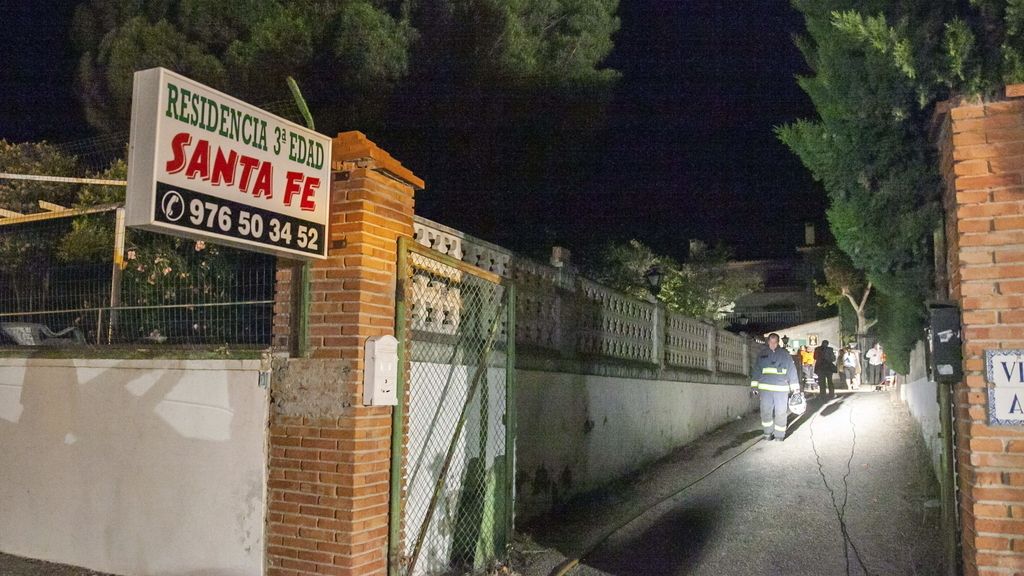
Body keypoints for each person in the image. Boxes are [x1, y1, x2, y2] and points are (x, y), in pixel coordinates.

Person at [750, 333, 801, 441]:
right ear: (768, 342)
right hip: (765, 389)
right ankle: (767, 433)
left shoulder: (784, 354)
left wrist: (795, 387)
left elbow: (792, 370)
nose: (773, 344)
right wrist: (754, 386)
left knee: (781, 411)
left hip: (781, 388)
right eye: (771, 342)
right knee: (765, 410)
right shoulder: (762, 354)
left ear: (778, 343)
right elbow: (756, 370)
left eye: (775, 342)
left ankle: (779, 435)